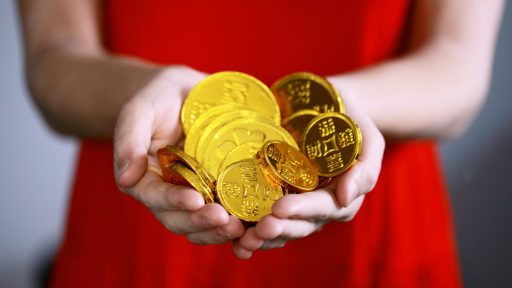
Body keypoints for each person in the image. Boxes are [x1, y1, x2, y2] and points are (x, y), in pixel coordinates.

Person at [18, 0, 504, 287]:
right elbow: (53, 59)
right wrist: (146, 91)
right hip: (146, 205)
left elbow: (458, 65)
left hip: (370, 228)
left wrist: (342, 104)